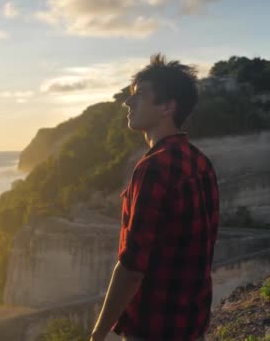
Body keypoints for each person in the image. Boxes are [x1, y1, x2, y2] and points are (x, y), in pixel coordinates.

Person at [90, 54, 220, 341]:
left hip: (154, 326)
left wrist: (98, 332)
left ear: (167, 107)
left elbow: (132, 266)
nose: (128, 102)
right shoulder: (201, 162)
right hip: (191, 323)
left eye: (139, 95)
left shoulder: (154, 168)